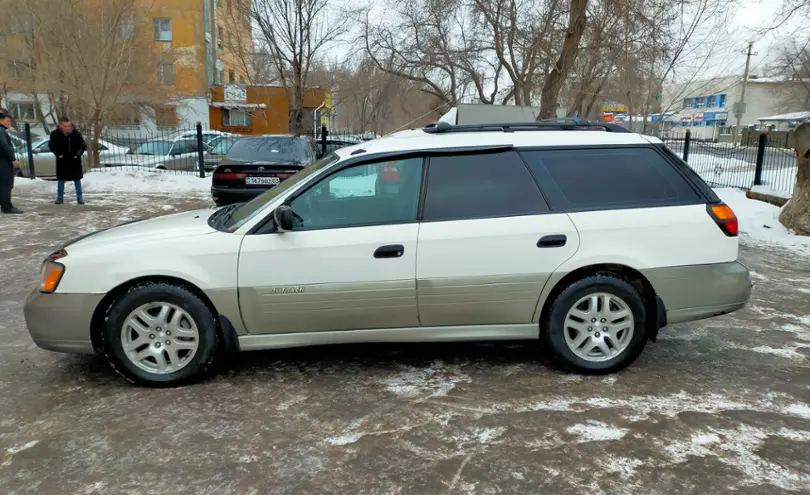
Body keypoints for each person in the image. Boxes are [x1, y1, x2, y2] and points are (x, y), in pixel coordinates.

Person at [49, 117, 87, 205]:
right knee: (61, 179)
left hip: (74, 160)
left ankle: (79, 198)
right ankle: (59, 198)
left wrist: (77, 155)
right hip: (62, 160)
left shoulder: (76, 133)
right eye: (65, 126)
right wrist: (58, 155)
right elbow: (52, 146)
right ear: (60, 125)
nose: (67, 128)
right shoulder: (55, 134)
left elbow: (82, 145)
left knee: (77, 179)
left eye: (69, 126)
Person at [0, 108, 23, 214]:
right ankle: (7, 207)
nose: (9, 123)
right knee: (6, 184)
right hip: (3, 162)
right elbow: (5, 146)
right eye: (8, 121)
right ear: (1, 120)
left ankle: (6, 205)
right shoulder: (1, 131)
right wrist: (12, 159)